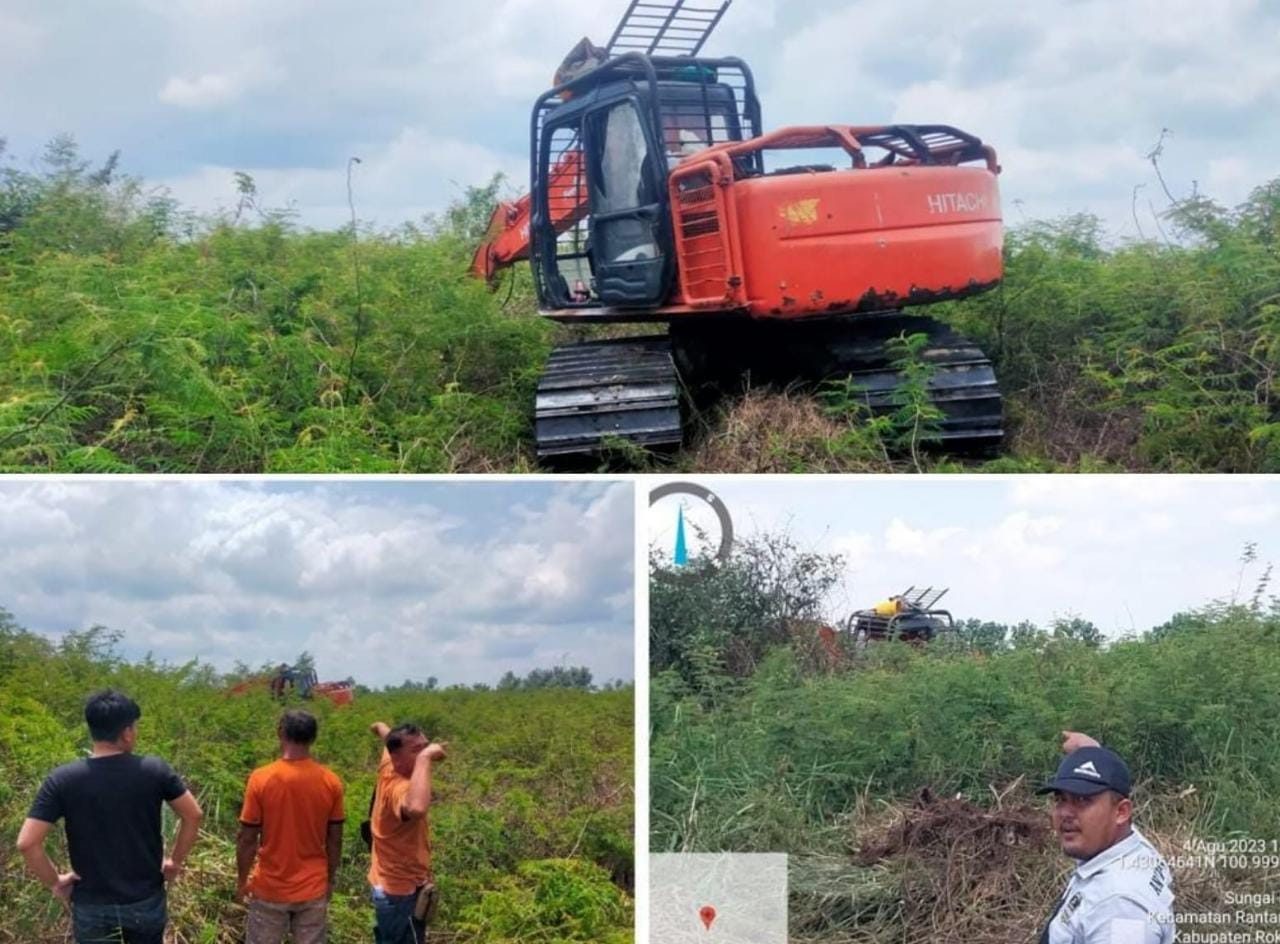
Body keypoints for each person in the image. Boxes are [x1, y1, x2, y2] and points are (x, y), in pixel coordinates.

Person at [15, 689, 204, 944]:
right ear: (126, 732)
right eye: (135, 728)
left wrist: (56, 883)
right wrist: (175, 862)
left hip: (92, 904)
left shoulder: (63, 779)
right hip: (144, 901)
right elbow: (193, 815)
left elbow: (27, 843)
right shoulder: (153, 770)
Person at [1035, 733, 1175, 943]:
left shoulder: (1120, 906)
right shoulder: (1128, 846)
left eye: (1083, 800)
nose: (1065, 813)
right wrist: (1094, 754)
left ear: (1121, 812)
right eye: (1060, 799)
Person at [237, 709, 345, 944]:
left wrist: (242, 880)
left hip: (269, 887)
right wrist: (329, 880)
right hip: (313, 887)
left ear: (280, 734)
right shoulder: (330, 781)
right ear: (313, 738)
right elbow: (335, 839)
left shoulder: (261, 778)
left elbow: (247, 838)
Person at [367, 721, 448, 944]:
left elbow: (386, 735)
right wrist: (425, 758)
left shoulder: (389, 761)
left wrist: (379, 726)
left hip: (386, 883)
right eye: (417, 750)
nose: (424, 752)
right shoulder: (398, 787)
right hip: (400, 894)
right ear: (397, 758)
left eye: (425, 746)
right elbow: (416, 808)